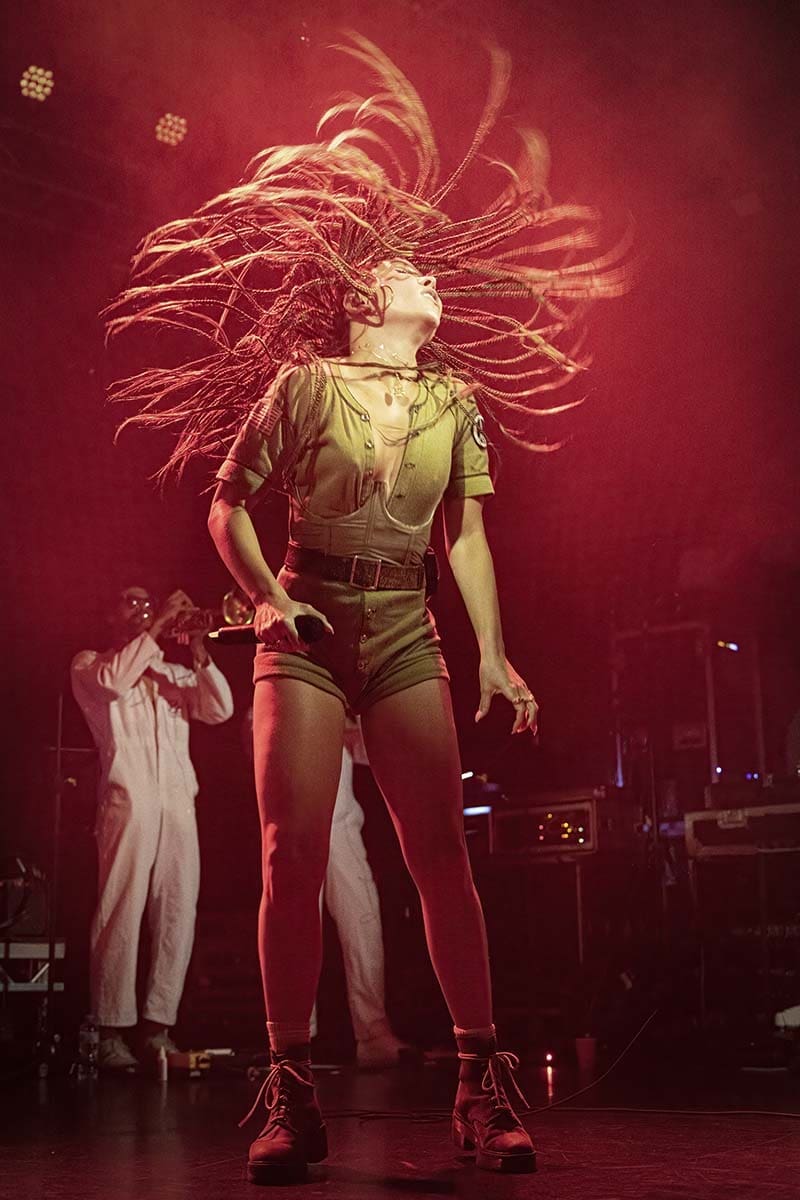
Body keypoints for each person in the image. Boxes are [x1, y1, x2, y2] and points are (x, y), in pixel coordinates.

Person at [105, 35, 625, 1177]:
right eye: (408, 273)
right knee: (292, 853)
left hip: (404, 629)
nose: (430, 278)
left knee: (437, 849)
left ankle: (477, 1082)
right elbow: (223, 505)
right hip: (306, 622)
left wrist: (493, 653)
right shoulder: (303, 387)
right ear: (359, 302)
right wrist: (263, 605)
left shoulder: (455, 399)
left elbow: (469, 540)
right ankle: (288, 1085)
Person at [71, 586, 234, 1070]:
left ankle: (158, 1027)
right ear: (107, 615)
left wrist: (200, 649)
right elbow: (113, 683)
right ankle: (109, 1030)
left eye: (149, 602)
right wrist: (159, 626)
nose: (143, 608)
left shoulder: (172, 671)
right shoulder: (90, 663)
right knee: (120, 908)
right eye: (131, 602)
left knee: (177, 912)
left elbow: (220, 708)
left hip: (178, 804)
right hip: (129, 801)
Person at [243, 707, 412, 1068]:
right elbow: (253, 739)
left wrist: (352, 728)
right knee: (294, 927)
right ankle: (292, 1040)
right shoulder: (277, 680)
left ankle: (373, 1034)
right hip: (295, 822)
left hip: (343, 824)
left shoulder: (345, 695)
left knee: (363, 922)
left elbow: (377, 749)